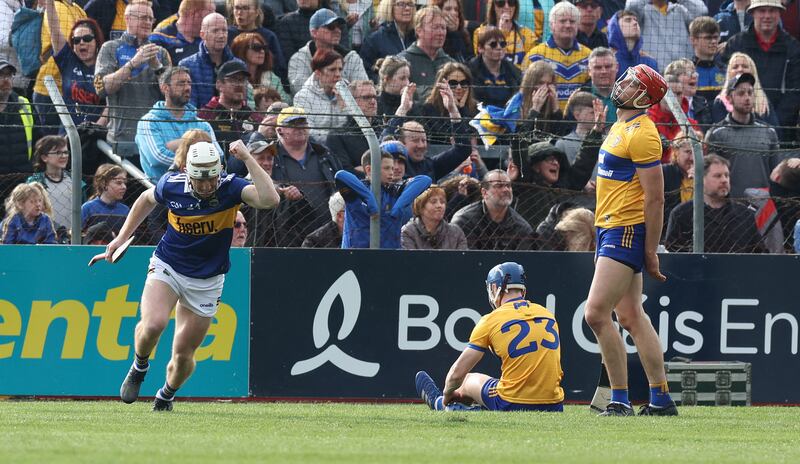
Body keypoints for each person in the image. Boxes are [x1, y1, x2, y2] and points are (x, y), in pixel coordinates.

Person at [114, 138, 280, 411]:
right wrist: (121, 237)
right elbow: (145, 199)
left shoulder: (231, 188)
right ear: (187, 173)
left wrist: (248, 158)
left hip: (207, 279)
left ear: (220, 173)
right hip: (169, 265)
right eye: (200, 180)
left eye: (211, 179)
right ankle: (139, 365)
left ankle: (166, 395)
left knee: (183, 355)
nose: (205, 186)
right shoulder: (172, 185)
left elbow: (270, 199)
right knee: (154, 324)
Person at [584, 63, 678, 416]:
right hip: (609, 228)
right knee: (631, 316)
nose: (621, 85)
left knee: (596, 313)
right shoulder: (620, 125)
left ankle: (620, 399)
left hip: (624, 229)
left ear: (643, 97)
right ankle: (660, 399)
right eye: (624, 80)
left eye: (631, 84)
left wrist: (650, 251)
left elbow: (656, 198)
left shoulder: (643, 133)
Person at [414, 262, 563, 412]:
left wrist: (446, 396)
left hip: (513, 403)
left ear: (495, 288)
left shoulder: (490, 320)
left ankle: (441, 405)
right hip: (554, 405)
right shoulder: (547, 314)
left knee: (466, 380)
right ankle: (472, 409)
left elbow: (456, 375)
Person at [94, 1, 170, 161]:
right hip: (120, 141)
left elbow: (173, 94)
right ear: (127, 19)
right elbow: (102, 88)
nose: (148, 22)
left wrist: (157, 67)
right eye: (143, 18)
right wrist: (132, 64)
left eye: (150, 19)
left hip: (153, 140)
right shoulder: (110, 48)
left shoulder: (161, 53)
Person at [720, 0, 800, 141]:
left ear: (779, 13)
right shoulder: (736, 44)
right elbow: (726, 85)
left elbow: (795, 92)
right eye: (762, 11)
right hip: (739, 128)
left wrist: (775, 126)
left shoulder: (793, 47)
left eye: (772, 11)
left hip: (783, 131)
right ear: (752, 13)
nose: (767, 16)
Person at [266, 106, 343, 247]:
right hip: (285, 234)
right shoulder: (269, 156)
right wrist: (279, 189)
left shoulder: (324, 154)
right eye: (293, 124)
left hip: (326, 235)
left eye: (303, 123)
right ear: (279, 130)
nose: (300, 128)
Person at [334, 142, 433, 248]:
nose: (391, 172)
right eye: (386, 168)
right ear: (369, 170)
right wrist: (369, 198)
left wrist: (399, 206)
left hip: (389, 254)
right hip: (355, 253)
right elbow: (340, 175)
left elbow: (425, 180)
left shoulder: (395, 190)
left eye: (392, 168)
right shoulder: (355, 191)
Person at [137, 65, 222, 181]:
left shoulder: (202, 124)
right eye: (181, 83)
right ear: (165, 88)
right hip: (164, 188)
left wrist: (177, 145)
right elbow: (157, 158)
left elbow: (219, 156)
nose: (187, 88)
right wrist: (196, 150)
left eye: (189, 83)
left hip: (201, 187)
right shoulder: (148, 122)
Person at [665, 154, 763, 253]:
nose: (724, 180)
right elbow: (673, 253)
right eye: (718, 176)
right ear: (701, 179)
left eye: (726, 175)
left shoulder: (744, 215)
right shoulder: (682, 214)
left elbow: (759, 253)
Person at [704, 72, 781, 199]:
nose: (747, 97)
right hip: (730, 205)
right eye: (741, 93)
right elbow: (710, 174)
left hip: (763, 204)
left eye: (750, 93)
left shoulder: (768, 132)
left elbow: (776, 175)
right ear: (729, 98)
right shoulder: (717, 133)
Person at [42, 0, 106, 128]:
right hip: (69, 133)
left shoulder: (106, 66)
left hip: (96, 133)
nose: (81, 42)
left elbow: (111, 105)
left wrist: (96, 127)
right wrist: (49, 2)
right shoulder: (68, 61)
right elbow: (55, 30)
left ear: (97, 40)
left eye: (87, 38)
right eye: (76, 40)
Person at [31, 0, 87, 136]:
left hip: (70, 89)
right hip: (50, 89)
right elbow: (68, 45)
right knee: (51, 142)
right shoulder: (57, 6)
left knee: (67, 141)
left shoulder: (78, 9)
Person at [198, 60, 262, 175]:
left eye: (242, 80)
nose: (239, 84)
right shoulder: (205, 115)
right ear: (219, 84)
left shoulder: (255, 117)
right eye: (233, 80)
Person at [524, 2, 591, 112]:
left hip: (579, 118)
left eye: (572, 21)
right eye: (562, 21)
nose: (568, 25)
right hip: (545, 117)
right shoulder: (535, 56)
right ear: (551, 25)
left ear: (578, 25)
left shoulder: (589, 57)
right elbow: (525, 93)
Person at [288, 8, 369, 94]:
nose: (338, 31)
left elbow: (364, 91)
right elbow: (301, 91)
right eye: (331, 27)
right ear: (314, 32)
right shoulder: (299, 59)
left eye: (340, 27)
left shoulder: (352, 58)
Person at [451, 169, 535, 250]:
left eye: (508, 185)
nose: (506, 190)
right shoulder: (464, 220)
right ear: (484, 193)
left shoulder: (521, 227)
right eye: (499, 186)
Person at [624, 0, 707, 74]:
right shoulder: (642, 11)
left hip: (683, 73)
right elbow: (631, 6)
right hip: (655, 73)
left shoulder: (680, 9)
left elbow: (702, 10)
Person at [179, 13, 239, 109]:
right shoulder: (187, 65)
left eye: (224, 30)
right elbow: (189, 106)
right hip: (197, 117)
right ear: (202, 35)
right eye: (215, 31)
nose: (221, 35)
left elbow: (242, 104)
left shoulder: (239, 65)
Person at [27, 135, 87, 231]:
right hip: (44, 235)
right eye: (58, 152)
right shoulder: (35, 182)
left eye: (65, 152)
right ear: (44, 157)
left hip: (72, 235)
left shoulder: (76, 181)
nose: (64, 156)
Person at [398, 6, 455, 102]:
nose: (441, 33)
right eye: (435, 27)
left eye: (443, 28)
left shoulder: (451, 64)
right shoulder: (402, 62)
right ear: (419, 30)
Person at [293, 49, 349, 142]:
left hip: (346, 146)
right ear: (318, 73)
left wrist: (343, 108)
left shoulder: (348, 91)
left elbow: (353, 128)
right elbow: (309, 132)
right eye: (332, 70)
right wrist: (336, 139)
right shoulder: (302, 97)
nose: (338, 74)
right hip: (317, 148)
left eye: (340, 69)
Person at [325, 80, 380, 176]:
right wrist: (375, 174)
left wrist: (365, 169)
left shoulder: (381, 129)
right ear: (351, 102)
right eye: (366, 97)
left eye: (374, 97)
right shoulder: (337, 136)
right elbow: (344, 172)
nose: (373, 101)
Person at [711, 51, 778, 128]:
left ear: (752, 71)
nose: (740, 69)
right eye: (735, 67)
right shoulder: (720, 102)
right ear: (729, 73)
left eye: (745, 66)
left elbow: (775, 130)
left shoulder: (763, 101)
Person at [418, 62, 478, 145]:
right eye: (453, 83)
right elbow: (445, 137)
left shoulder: (476, 108)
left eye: (463, 83)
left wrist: (462, 109)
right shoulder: (429, 108)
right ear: (443, 85)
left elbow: (472, 136)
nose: (459, 87)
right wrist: (454, 109)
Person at [226, 0, 287, 81]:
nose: (240, 12)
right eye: (237, 8)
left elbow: (279, 67)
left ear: (256, 12)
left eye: (246, 8)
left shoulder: (268, 36)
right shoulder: (227, 34)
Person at [472, 0, 540, 69]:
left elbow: (530, 68)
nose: (506, 7)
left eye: (511, 2)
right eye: (501, 3)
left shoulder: (527, 34)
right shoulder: (480, 33)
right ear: (493, 6)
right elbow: (482, 65)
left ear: (515, 6)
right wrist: (501, 33)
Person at [231, 32, 292, 108]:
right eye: (256, 47)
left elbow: (286, 101)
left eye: (264, 48)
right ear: (241, 50)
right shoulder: (233, 79)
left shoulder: (271, 77)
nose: (262, 51)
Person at [360, 0, 416, 81]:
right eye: (401, 4)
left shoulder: (417, 36)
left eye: (410, 4)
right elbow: (367, 72)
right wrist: (387, 83)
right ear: (389, 8)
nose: (407, 8)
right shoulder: (374, 39)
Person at [467, 27, 522, 108]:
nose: (499, 47)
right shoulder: (469, 71)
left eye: (502, 44)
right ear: (480, 48)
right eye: (493, 44)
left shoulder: (514, 71)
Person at [0, 59, 35, 183]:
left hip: (22, 178)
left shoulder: (23, 103)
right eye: (1, 75)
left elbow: (37, 137)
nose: (6, 80)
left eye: (9, 75)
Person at [149, 0, 216, 63]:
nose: (215, 17)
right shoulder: (159, 38)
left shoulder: (214, 36)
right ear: (193, 14)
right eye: (211, 13)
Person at [401, 185, 468, 249]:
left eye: (442, 202)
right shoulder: (408, 231)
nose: (439, 206)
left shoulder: (456, 232)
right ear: (420, 207)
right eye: (433, 202)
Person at [606, 10, 658, 79]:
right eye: (628, 20)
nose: (635, 23)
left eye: (636, 20)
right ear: (615, 27)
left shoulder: (649, 62)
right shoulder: (605, 62)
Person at [689, 16, 725, 104]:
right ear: (693, 40)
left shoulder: (725, 70)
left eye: (716, 37)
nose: (713, 41)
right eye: (708, 38)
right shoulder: (687, 72)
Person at [81, 163, 130, 228]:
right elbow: (77, 232)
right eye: (119, 183)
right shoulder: (88, 208)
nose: (124, 187)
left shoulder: (125, 210)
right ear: (103, 183)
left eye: (125, 183)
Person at [582, 47, 619, 124]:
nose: (603, 71)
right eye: (598, 67)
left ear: (617, 67)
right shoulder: (580, 97)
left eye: (608, 66)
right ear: (589, 71)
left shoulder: (629, 96)